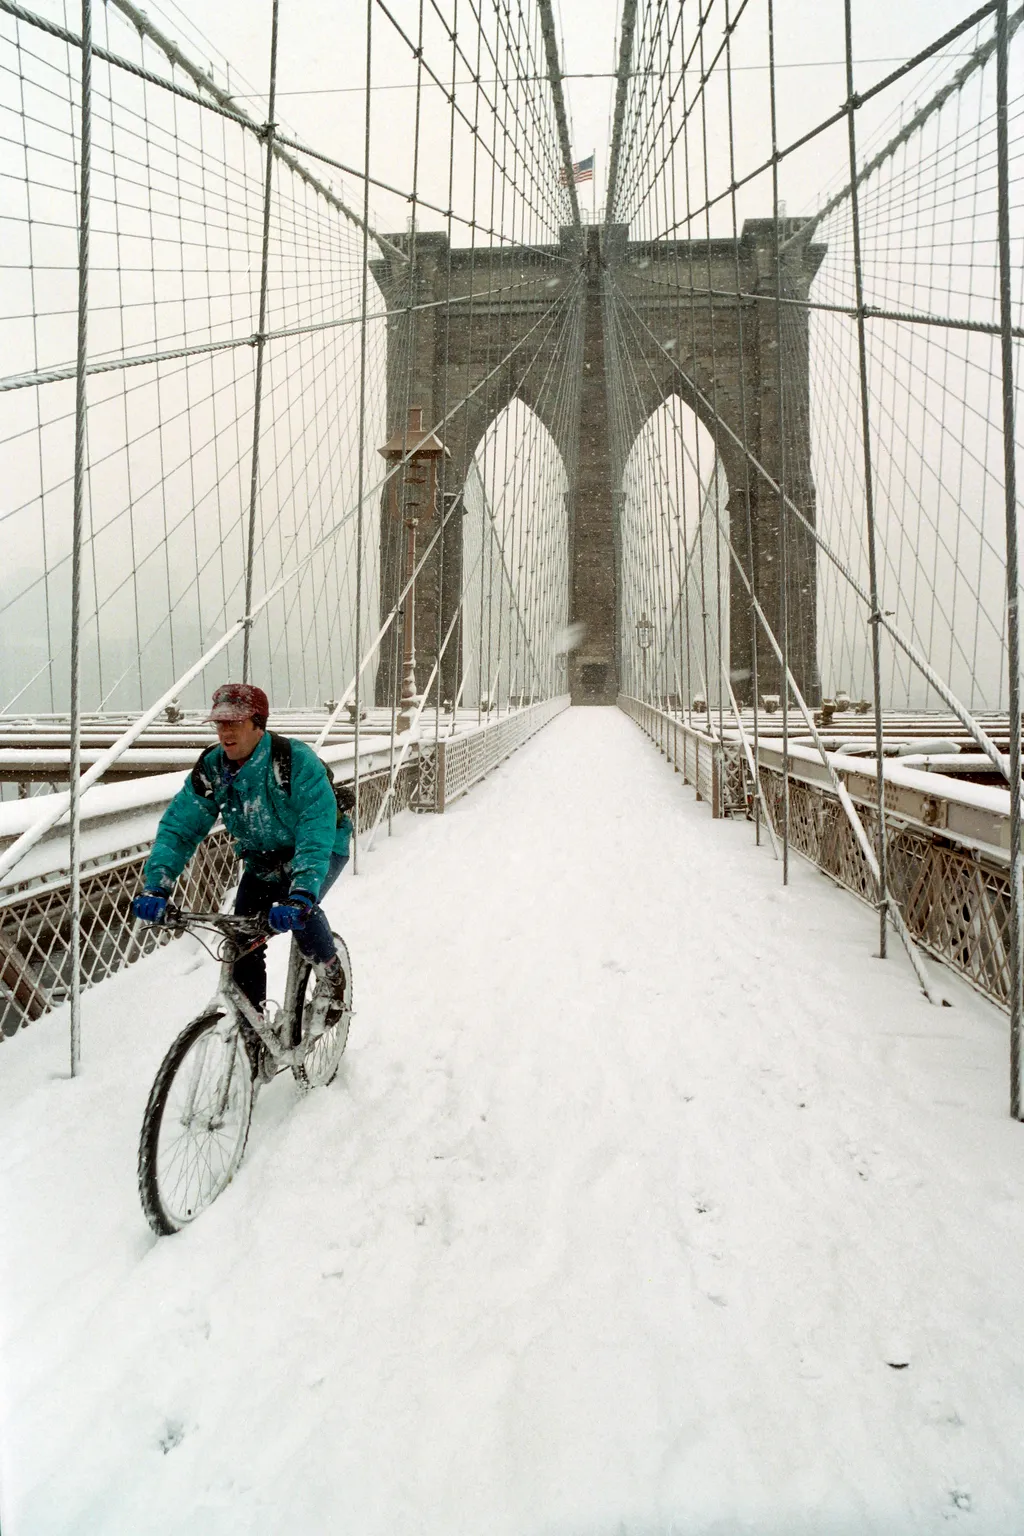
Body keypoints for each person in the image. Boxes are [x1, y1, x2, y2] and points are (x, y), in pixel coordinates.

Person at [131, 682, 349, 1034]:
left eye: (234, 722)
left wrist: (301, 893)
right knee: (243, 942)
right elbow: (180, 828)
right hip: (262, 861)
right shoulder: (213, 769)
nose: (224, 732)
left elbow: (316, 829)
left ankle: (329, 970)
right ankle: (253, 1031)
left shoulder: (293, 762)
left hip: (322, 846)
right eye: (219, 723)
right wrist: (156, 886)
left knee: (302, 913)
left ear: (257, 724)